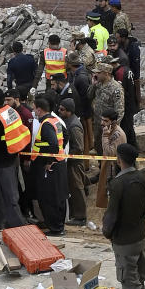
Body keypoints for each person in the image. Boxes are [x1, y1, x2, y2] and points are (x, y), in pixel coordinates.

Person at [104, 143, 145, 289]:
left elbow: (111, 215)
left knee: (130, 284)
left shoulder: (117, 184)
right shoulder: (144, 177)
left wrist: (107, 232)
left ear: (119, 160)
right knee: (139, 280)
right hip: (140, 237)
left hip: (124, 241)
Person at [0, 88, 28, 229]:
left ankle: (17, 227)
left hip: (1, 162)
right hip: (10, 157)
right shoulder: (9, 110)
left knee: (8, 197)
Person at [31, 95, 68, 236]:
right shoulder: (55, 121)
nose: (34, 112)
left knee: (49, 198)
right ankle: (58, 226)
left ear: (39, 110)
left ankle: (56, 228)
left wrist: (48, 161)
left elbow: (53, 144)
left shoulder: (46, 124)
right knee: (58, 197)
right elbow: (66, 136)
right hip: (58, 163)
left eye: (34, 109)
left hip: (50, 167)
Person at [57, 98, 87, 227]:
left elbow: (79, 147)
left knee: (77, 188)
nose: (59, 111)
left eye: (62, 110)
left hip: (74, 162)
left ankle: (81, 217)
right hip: (70, 161)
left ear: (69, 111)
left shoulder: (74, 126)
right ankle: (75, 214)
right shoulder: (66, 121)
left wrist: (67, 156)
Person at [90, 62, 124, 155]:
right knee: (98, 146)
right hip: (98, 122)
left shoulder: (116, 88)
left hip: (109, 126)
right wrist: (93, 85)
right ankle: (101, 167)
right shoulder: (98, 84)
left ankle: (110, 168)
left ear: (106, 74)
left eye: (99, 73)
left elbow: (119, 110)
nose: (96, 74)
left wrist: (113, 127)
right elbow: (89, 96)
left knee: (110, 150)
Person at [66, 51, 93, 158]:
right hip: (81, 113)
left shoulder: (81, 78)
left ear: (70, 63)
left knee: (84, 140)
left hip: (83, 115)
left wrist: (82, 115)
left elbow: (86, 99)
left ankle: (85, 164)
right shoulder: (75, 74)